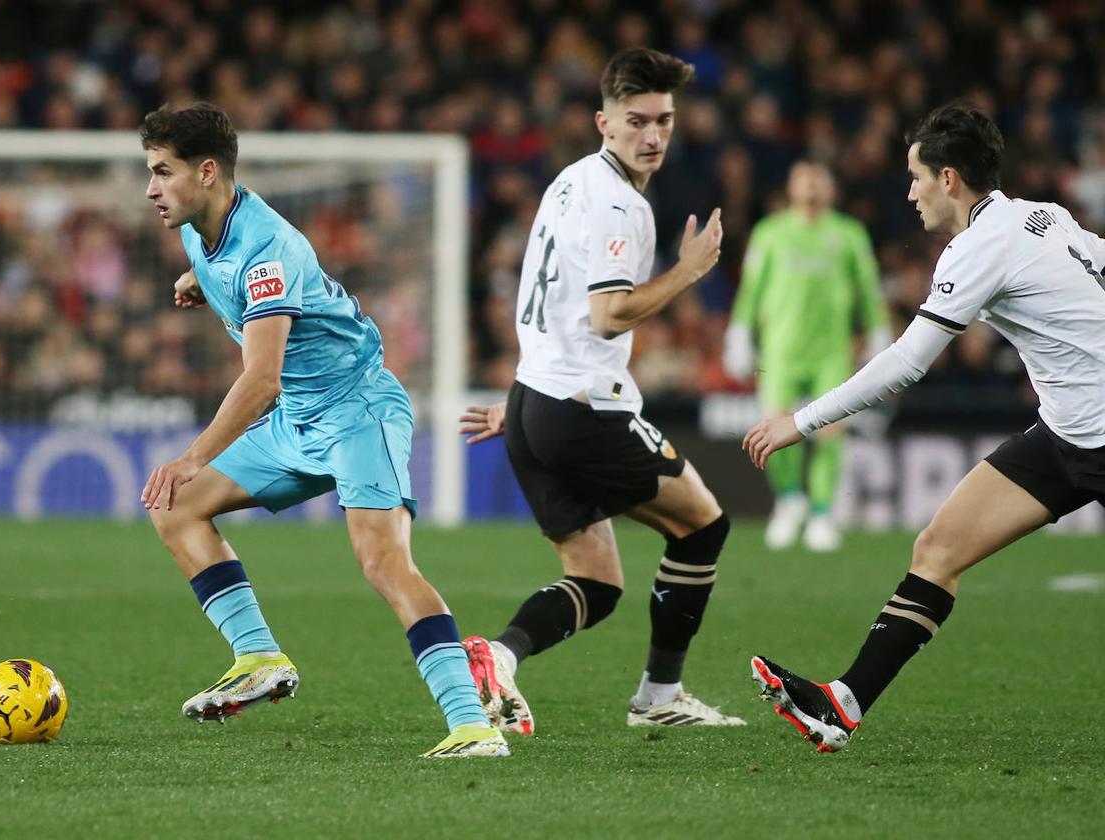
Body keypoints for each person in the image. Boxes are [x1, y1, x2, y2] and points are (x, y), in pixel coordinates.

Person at [138, 102, 507, 758]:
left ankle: (473, 725)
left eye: (162, 172)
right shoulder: (200, 230)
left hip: (356, 410)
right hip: (297, 422)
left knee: (383, 561)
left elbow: (261, 380)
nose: (150, 188)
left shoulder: (267, 248)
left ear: (207, 171)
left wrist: (193, 455)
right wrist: (200, 280)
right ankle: (258, 659)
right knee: (176, 511)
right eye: (149, 171)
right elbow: (234, 282)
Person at [742, 102, 1105, 752]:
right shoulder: (1043, 215)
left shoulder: (980, 246)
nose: (909, 192)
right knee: (938, 549)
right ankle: (840, 707)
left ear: (950, 180)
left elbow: (906, 364)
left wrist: (800, 420)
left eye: (916, 176)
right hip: (1066, 434)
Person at [458, 48, 744, 734]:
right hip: (583, 406)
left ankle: (498, 655)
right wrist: (689, 271)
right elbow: (608, 312)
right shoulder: (621, 205)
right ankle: (659, 698)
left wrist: (528, 401)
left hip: (534, 401)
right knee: (704, 526)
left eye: (665, 122)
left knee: (597, 583)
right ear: (603, 123)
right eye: (637, 121)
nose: (653, 136)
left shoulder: (570, 182)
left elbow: (551, 298)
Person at [724, 160, 890, 551]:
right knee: (772, 429)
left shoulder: (849, 234)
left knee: (832, 431)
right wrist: (739, 331)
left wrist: (879, 329)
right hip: (780, 351)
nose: (813, 188)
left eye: (820, 181)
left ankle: (820, 514)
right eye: (805, 181)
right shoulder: (771, 233)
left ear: (832, 190)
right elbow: (751, 289)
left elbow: (868, 288)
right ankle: (789, 500)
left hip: (831, 352)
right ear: (791, 188)